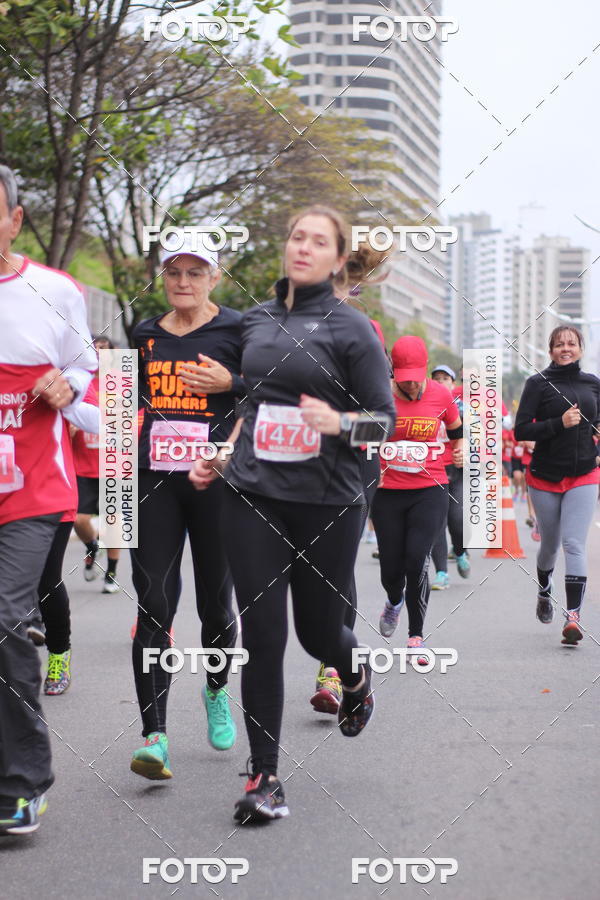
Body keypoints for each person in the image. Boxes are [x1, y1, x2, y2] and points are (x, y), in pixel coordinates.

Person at [190, 205, 395, 822]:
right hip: (253, 493)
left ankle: (353, 676)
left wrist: (339, 423)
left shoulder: (353, 329)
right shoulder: (256, 322)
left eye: (318, 241)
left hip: (328, 502)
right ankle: (265, 777)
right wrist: (221, 457)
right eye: (296, 237)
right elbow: (254, 406)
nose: (303, 247)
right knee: (265, 635)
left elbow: (382, 424)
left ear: (338, 259)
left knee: (317, 634)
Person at [0, 165, 96, 835]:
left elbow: (92, 378)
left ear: (14, 217)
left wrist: (70, 389)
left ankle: (23, 780)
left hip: (32, 488)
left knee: (4, 619)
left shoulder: (54, 292)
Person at [129, 233, 242, 780]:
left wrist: (231, 382)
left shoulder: (237, 330)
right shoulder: (144, 334)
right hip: (155, 481)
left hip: (214, 483)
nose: (183, 282)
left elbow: (269, 393)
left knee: (215, 607)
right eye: (174, 271)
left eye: (195, 272)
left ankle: (216, 689)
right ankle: (155, 736)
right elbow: (121, 402)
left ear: (214, 278)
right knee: (153, 602)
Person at [310, 242, 390, 714]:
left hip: (353, 464)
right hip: (297, 466)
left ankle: (334, 671)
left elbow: (381, 415)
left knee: (335, 568)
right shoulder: (286, 328)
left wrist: (339, 421)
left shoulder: (366, 331)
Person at [372, 337, 463, 655]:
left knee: (416, 560)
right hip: (387, 491)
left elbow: (456, 430)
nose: (412, 387)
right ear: (394, 372)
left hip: (430, 487)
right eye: (404, 380)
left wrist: (461, 449)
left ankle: (416, 636)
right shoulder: (379, 395)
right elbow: (362, 437)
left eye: (416, 380)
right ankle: (394, 600)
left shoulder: (441, 394)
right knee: (391, 569)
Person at [514, 325, 600, 644]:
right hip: (546, 476)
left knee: (574, 543)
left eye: (572, 343)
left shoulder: (593, 384)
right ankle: (544, 589)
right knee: (549, 546)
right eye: (559, 344)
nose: (566, 348)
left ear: (581, 348)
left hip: (584, 474)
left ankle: (573, 617)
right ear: (550, 351)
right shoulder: (537, 384)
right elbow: (521, 429)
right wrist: (558, 424)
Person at [38, 392, 100, 695]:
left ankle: (58, 653)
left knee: (45, 581)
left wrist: (70, 409)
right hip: (8, 490)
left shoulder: (63, 374)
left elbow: (104, 420)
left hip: (52, 492)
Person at [72, 336, 121, 592]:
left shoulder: (122, 384)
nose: (99, 353)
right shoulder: (78, 381)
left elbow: (135, 419)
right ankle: (93, 545)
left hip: (113, 465)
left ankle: (111, 574)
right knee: (78, 518)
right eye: (95, 349)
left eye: (104, 350)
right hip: (82, 465)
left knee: (113, 521)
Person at [429, 364, 469, 589]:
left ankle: (461, 552)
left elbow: (476, 438)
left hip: (457, 470)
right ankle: (442, 572)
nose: (441, 381)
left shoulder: (462, 408)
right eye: (437, 378)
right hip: (433, 470)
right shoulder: (425, 405)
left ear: (453, 384)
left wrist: (465, 453)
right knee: (437, 522)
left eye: (446, 378)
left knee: (457, 519)